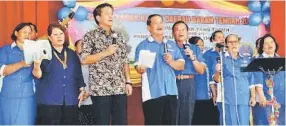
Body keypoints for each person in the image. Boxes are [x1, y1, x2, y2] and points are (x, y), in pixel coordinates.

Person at [80, 3, 132, 125]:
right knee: (101, 122)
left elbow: (125, 60)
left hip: (119, 87)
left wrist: (128, 81)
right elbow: (84, 59)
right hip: (100, 89)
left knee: (120, 122)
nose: (111, 16)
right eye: (107, 14)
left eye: (112, 14)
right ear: (98, 18)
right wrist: (106, 52)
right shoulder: (90, 36)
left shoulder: (119, 36)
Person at [134, 14, 185, 125]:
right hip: (152, 94)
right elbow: (138, 68)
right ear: (149, 28)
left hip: (171, 91)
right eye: (155, 23)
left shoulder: (171, 44)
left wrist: (171, 61)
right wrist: (141, 68)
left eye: (161, 22)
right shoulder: (143, 45)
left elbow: (181, 65)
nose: (159, 25)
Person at [32, 23, 85, 125]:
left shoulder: (72, 54)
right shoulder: (43, 53)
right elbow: (37, 75)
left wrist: (82, 89)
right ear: (49, 38)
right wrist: (37, 65)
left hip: (70, 99)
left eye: (61, 33)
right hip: (49, 100)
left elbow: (78, 74)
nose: (59, 36)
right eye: (55, 34)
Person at [213, 34, 256, 125]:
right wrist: (218, 71)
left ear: (239, 43)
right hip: (228, 99)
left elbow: (251, 79)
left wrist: (253, 96)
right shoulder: (221, 59)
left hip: (244, 99)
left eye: (235, 42)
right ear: (226, 44)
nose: (233, 44)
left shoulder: (246, 59)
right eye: (230, 42)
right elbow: (216, 80)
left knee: (244, 122)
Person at [0, 22, 35, 125]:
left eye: (29, 33)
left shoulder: (34, 51)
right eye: (24, 32)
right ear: (16, 33)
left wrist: (37, 64)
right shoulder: (6, 50)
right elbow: (3, 71)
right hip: (8, 95)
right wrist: (22, 64)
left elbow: (38, 74)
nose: (27, 35)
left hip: (28, 96)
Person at [171, 21, 205, 125]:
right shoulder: (168, 47)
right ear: (173, 33)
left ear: (187, 32)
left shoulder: (195, 48)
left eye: (183, 29)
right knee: (171, 115)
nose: (180, 32)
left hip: (188, 83)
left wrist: (193, 57)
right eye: (177, 29)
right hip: (171, 83)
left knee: (186, 116)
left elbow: (201, 70)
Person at [252, 34, 285, 125]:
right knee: (264, 122)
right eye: (266, 43)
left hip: (281, 100)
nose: (269, 44)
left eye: (271, 42)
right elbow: (256, 80)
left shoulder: (281, 60)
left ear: (275, 44)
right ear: (262, 47)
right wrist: (262, 97)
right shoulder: (257, 60)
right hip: (264, 99)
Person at [189, 36, 219, 125]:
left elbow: (210, 78)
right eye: (198, 45)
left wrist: (214, 94)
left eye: (202, 45)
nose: (201, 48)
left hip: (207, 97)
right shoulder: (190, 61)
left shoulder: (205, 59)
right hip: (194, 97)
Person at [204, 30, 225, 124]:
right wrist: (214, 93)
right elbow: (208, 74)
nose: (221, 39)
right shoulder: (207, 54)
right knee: (218, 115)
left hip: (228, 88)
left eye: (223, 37)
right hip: (215, 89)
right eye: (218, 37)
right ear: (213, 40)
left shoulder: (227, 53)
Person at [74, 39, 95, 125]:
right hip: (76, 101)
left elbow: (97, 80)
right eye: (82, 45)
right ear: (75, 48)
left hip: (92, 101)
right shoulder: (71, 61)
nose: (84, 47)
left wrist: (89, 92)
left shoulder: (93, 62)